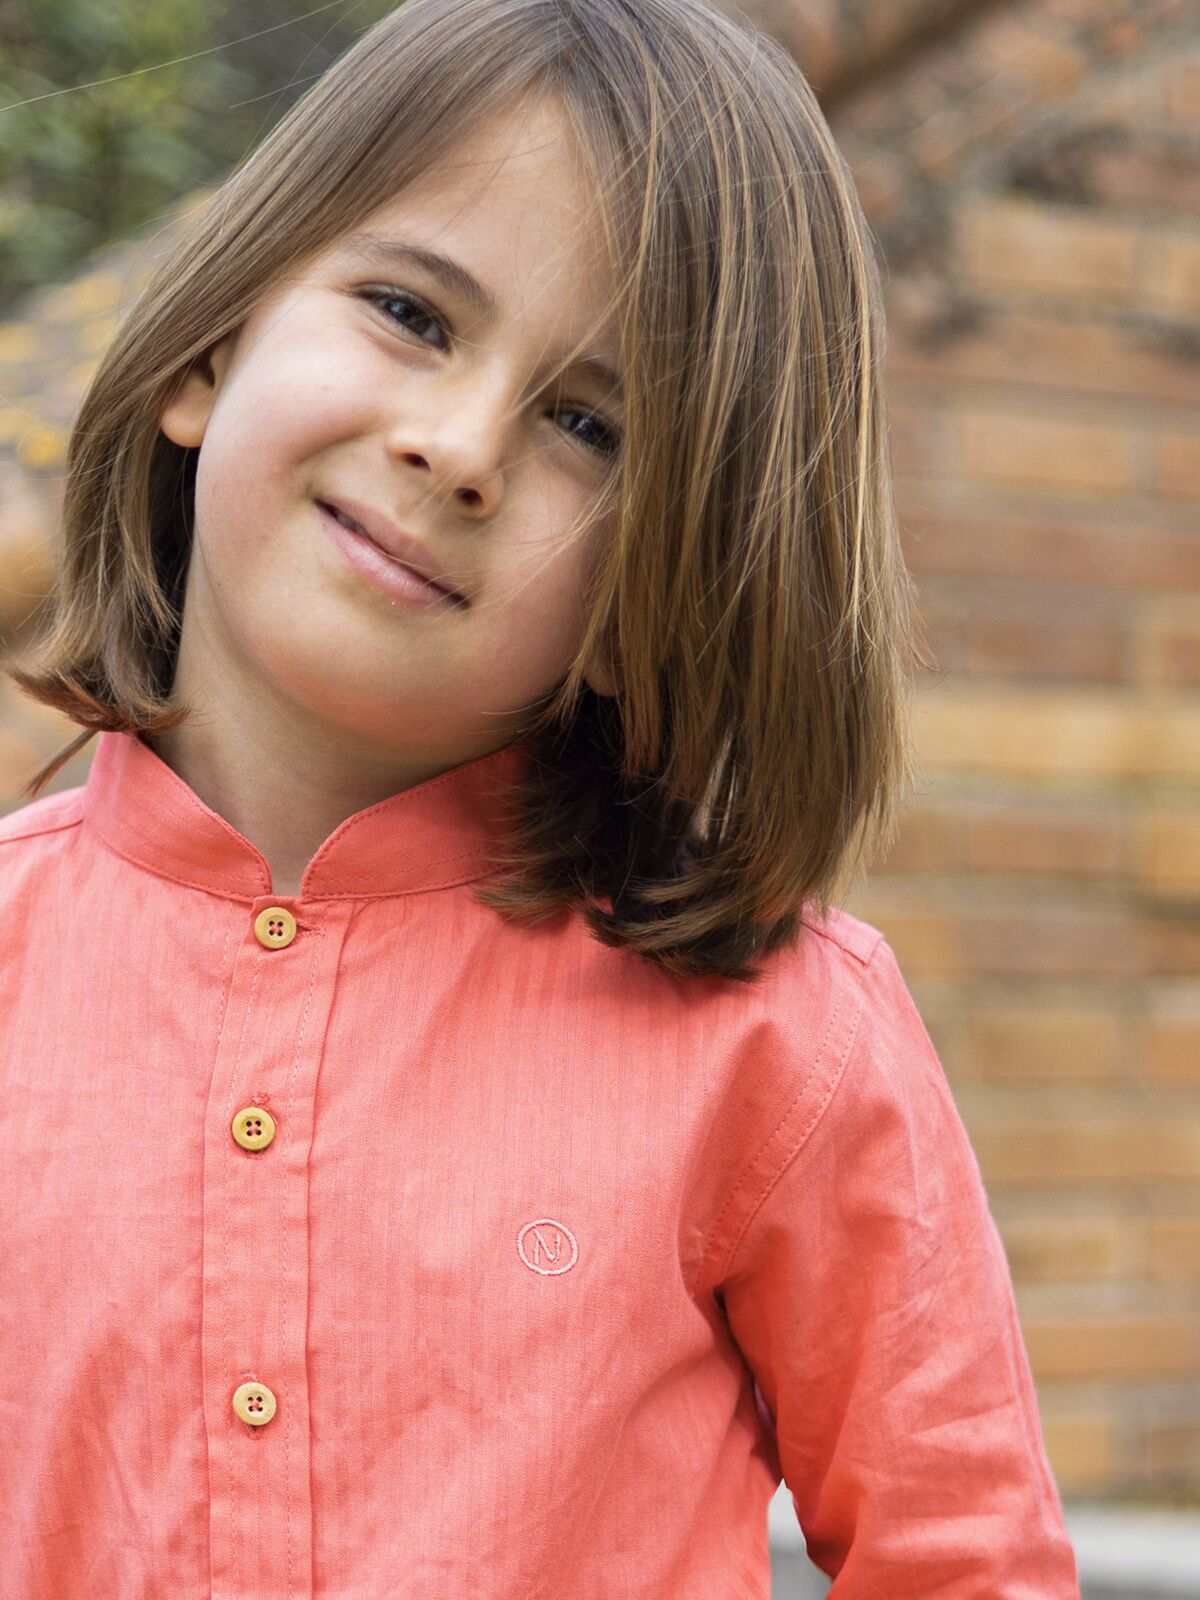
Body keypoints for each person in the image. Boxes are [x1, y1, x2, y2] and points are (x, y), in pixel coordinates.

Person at [0, 0, 1081, 1594]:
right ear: (209, 348)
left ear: (662, 592)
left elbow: (964, 1563)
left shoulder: (777, 1037)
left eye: (588, 425)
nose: (460, 448)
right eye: (409, 312)